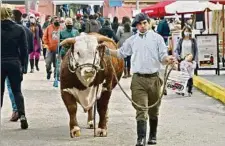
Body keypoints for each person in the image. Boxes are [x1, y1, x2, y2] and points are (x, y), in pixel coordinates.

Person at [97, 13, 176, 146]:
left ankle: (152, 136)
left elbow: (163, 56)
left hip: (154, 78)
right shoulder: (132, 40)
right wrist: (107, 51)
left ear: (149, 23)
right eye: (139, 24)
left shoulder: (157, 39)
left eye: (144, 23)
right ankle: (141, 139)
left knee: (154, 110)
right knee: (141, 109)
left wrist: (168, 59)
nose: (142, 26)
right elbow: (121, 53)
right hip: (138, 79)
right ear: (136, 26)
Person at [1, 4, 29, 129]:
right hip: (14, 62)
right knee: (17, 91)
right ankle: (22, 115)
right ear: (10, 14)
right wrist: (24, 66)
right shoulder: (19, 29)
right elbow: (24, 50)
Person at [5, 9, 34, 122]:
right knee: (16, 89)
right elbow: (29, 48)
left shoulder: (6, 29)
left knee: (8, 87)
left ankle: (15, 109)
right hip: (17, 63)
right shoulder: (26, 30)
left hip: (5, 61)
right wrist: (24, 65)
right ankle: (20, 112)